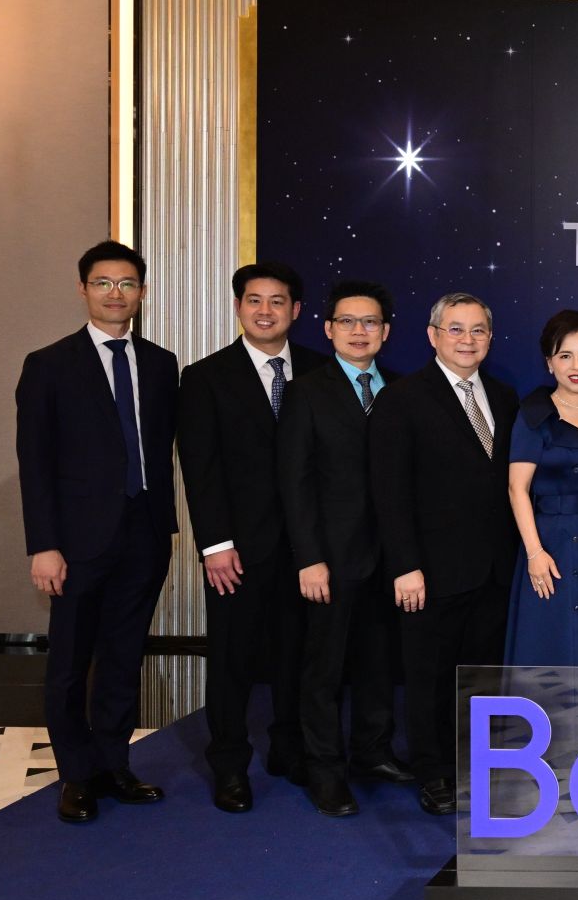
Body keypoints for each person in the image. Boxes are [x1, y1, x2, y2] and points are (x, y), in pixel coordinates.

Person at [15, 241, 179, 824]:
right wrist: (44, 544)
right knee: (69, 662)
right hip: (76, 541)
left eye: (127, 283)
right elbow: (35, 462)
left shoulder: (161, 363)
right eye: (104, 283)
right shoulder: (49, 364)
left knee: (123, 657)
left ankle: (114, 764)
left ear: (142, 292)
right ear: (83, 289)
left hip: (145, 533)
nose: (116, 293)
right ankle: (76, 775)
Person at [176, 261, 327, 812]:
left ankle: (290, 749)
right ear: (238, 307)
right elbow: (200, 467)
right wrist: (215, 544)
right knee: (233, 659)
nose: (266, 311)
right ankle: (230, 764)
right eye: (255, 300)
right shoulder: (205, 376)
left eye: (277, 301)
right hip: (237, 550)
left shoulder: (320, 370)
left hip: (306, 548)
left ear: (296, 310)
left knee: (297, 655)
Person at [369, 292, 519, 816]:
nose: (467, 340)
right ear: (433, 336)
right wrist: (404, 565)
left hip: (493, 570)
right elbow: (389, 492)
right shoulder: (402, 398)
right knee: (429, 678)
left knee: (481, 678)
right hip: (428, 573)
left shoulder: (505, 397)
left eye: (478, 330)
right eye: (455, 329)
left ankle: (473, 768)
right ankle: (432, 772)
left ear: (490, 338)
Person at [277, 279, 413, 817]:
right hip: (330, 559)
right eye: (348, 321)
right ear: (328, 329)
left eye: (370, 322)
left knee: (379, 663)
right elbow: (294, 482)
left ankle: (373, 753)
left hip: (389, 558)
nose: (360, 331)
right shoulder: (307, 391)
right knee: (324, 671)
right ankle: (325, 771)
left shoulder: (401, 389)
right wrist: (308, 558)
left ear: (386, 331)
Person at [505, 310, 578, 670]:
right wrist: (535, 552)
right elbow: (517, 488)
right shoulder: (535, 414)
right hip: (553, 545)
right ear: (549, 363)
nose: (576, 366)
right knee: (554, 641)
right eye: (565, 356)